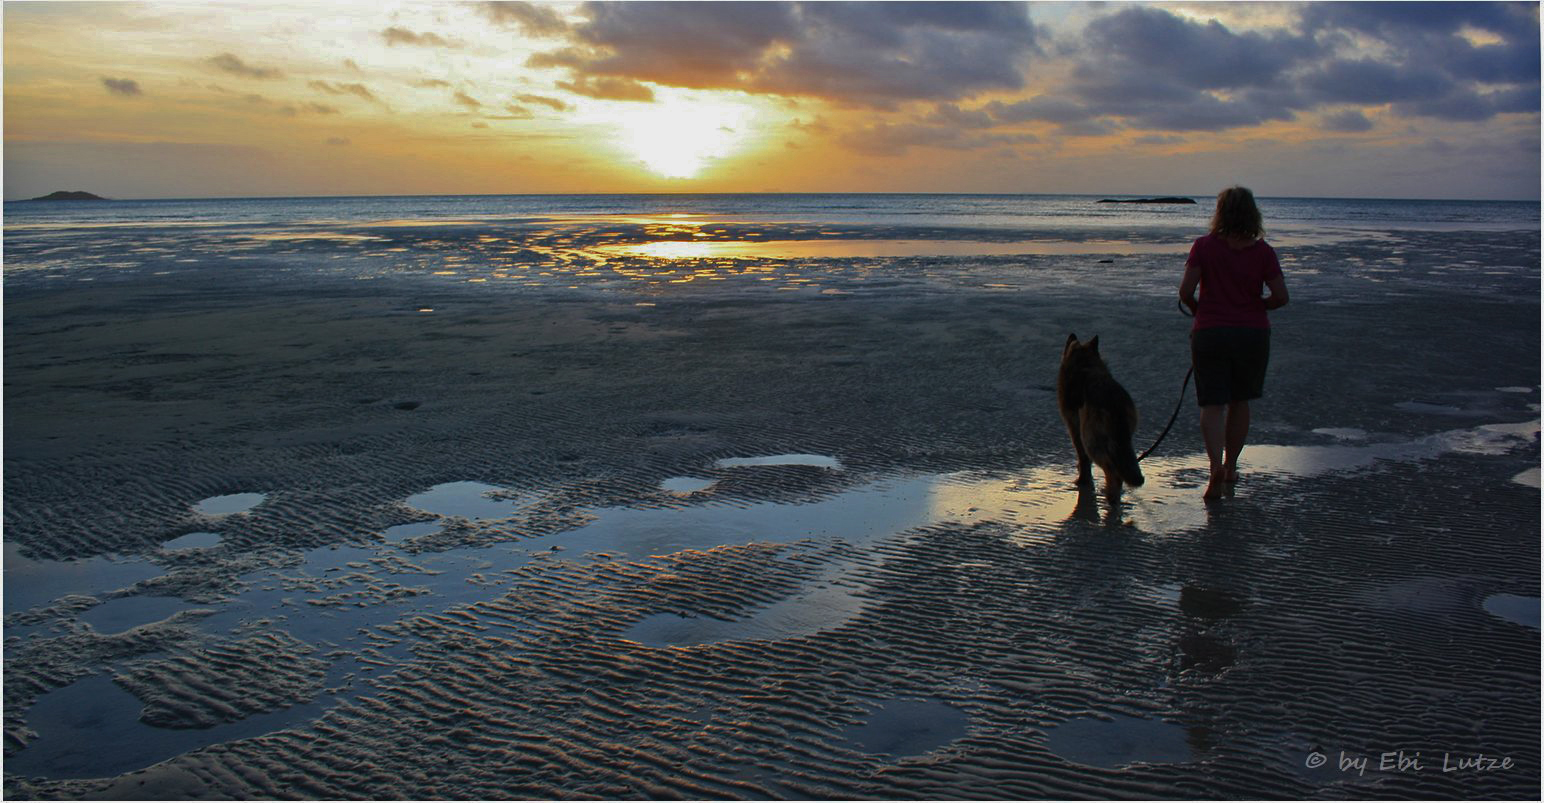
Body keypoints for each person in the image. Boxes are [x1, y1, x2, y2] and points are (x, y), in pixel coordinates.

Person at [1178, 186, 1289, 500]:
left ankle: (1214, 465)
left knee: (1211, 404)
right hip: (1251, 333)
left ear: (1220, 212)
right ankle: (1230, 466)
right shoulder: (1263, 252)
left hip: (1211, 332)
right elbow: (1282, 297)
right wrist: (1257, 307)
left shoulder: (1204, 247)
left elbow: (1185, 291)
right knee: (1241, 401)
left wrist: (1201, 313)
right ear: (1253, 213)